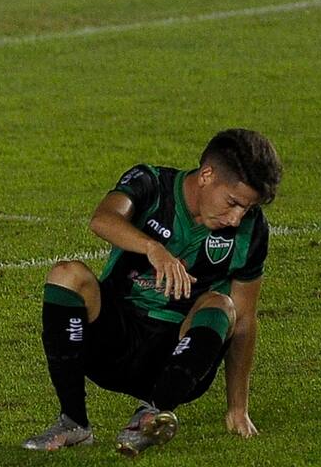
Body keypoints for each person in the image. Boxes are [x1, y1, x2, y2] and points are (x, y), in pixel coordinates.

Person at [22, 129, 282, 456]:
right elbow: (102, 219)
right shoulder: (151, 183)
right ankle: (74, 422)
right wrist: (152, 248)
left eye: (246, 208)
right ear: (206, 175)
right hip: (114, 343)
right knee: (66, 274)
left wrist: (238, 408)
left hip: (178, 359)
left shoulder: (251, 231)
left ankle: (151, 415)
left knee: (223, 305)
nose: (236, 218)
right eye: (232, 203)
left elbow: (243, 321)